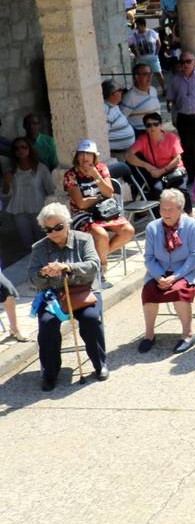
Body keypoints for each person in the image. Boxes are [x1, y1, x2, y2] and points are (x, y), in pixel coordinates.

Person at [29, 203, 108, 389]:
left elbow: (93, 266)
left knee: (90, 318)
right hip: (55, 296)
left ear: (68, 224)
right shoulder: (38, 248)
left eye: (58, 227)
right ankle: (50, 372)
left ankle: (99, 363)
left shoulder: (84, 239)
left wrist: (69, 267)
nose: (54, 232)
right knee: (47, 323)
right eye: (48, 229)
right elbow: (32, 278)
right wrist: (43, 273)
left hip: (84, 291)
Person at [138, 189, 195, 354]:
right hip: (160, 271)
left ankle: (188, 334)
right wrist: (159, 277)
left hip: (185, 270)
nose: (165, 213)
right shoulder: (152, 227)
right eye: (162, 209)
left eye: (170, 209)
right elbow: (148, 258)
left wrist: (175, 277)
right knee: (149, 291)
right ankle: (149, 335)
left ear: (180, 208)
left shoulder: (192, 225)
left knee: (179, 291)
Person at [63, 140, 134, 280]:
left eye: (88, 154)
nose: (85, 157)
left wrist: (96, 176)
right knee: (101, 235)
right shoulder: (71, 175)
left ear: (94, 156)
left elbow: (109, 193)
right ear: (77, 156)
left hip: (104, 211)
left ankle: (98, 257)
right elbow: (81, 204)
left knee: (128, 230)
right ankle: (102, 265)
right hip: (82, 214)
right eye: (82, 153)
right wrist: (99, 197)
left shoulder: (100, 169)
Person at [165, 51, 195, 177]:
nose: (185, 64)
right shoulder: (175, 79)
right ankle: (192, 176)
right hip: (184, 118)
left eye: (188, 61)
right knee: (187, 148)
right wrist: (174, 117)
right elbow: (171, 100)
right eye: (182, 62)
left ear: (194, 62)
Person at [2, 136, 54, 250]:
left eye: (24, 147)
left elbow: (51, 190)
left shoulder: (41, 168)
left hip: (39, 210)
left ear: (29, 149)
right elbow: (6, 194)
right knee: (27, 245)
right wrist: (6, 182)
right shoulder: (11, 170)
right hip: (19, 211)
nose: (20, 150)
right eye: (17, 148)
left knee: (42, 243)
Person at [125, 112, 187, 199]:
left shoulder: (171, 137)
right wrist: (146, 165)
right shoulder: (143, 139)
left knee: (180, 191)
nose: (152, 127)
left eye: (155, 124)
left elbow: (177, 159)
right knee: (157, 191)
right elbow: (128, 155)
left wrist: (162, 171)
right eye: (149, 125)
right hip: (157, 173)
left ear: (161, 125)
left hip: (173, 170)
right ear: (146, 128)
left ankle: (188, 212)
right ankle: (159, 212)